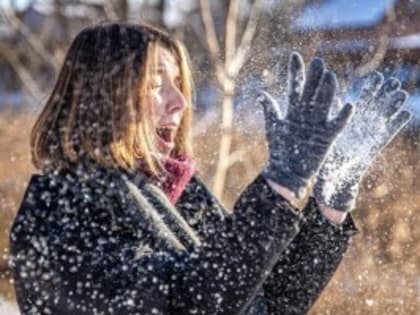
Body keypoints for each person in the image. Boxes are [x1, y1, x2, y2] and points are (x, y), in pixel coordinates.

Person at [8, 22, 411, 315]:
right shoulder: (60, 214)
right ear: (103, 98)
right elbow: (186, 302)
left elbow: (266, 303)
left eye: (179, 83)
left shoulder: (179, 196)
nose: (179, 102)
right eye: (155, 84)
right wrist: (279, 186)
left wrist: (327, 207)